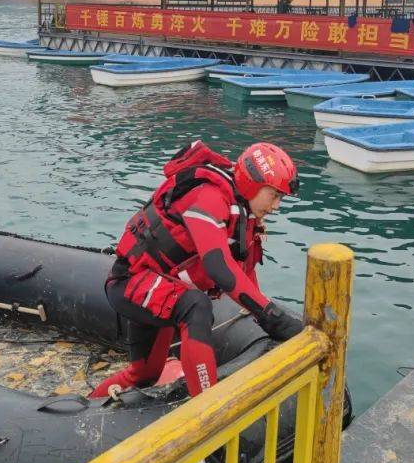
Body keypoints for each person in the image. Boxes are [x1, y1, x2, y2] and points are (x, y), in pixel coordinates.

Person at [90, 141, 304, 398]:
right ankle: (207, 406)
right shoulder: (209, 197)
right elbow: (218, 267)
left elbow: (244, 269)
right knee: (196, 306)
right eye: (274, 195)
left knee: (144, 374)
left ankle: (88, 403)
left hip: (164, 289)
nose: (276, 205)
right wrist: (272, 316)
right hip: (132, 283)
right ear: (253, 184)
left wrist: (266, 314)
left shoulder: (243, 214)